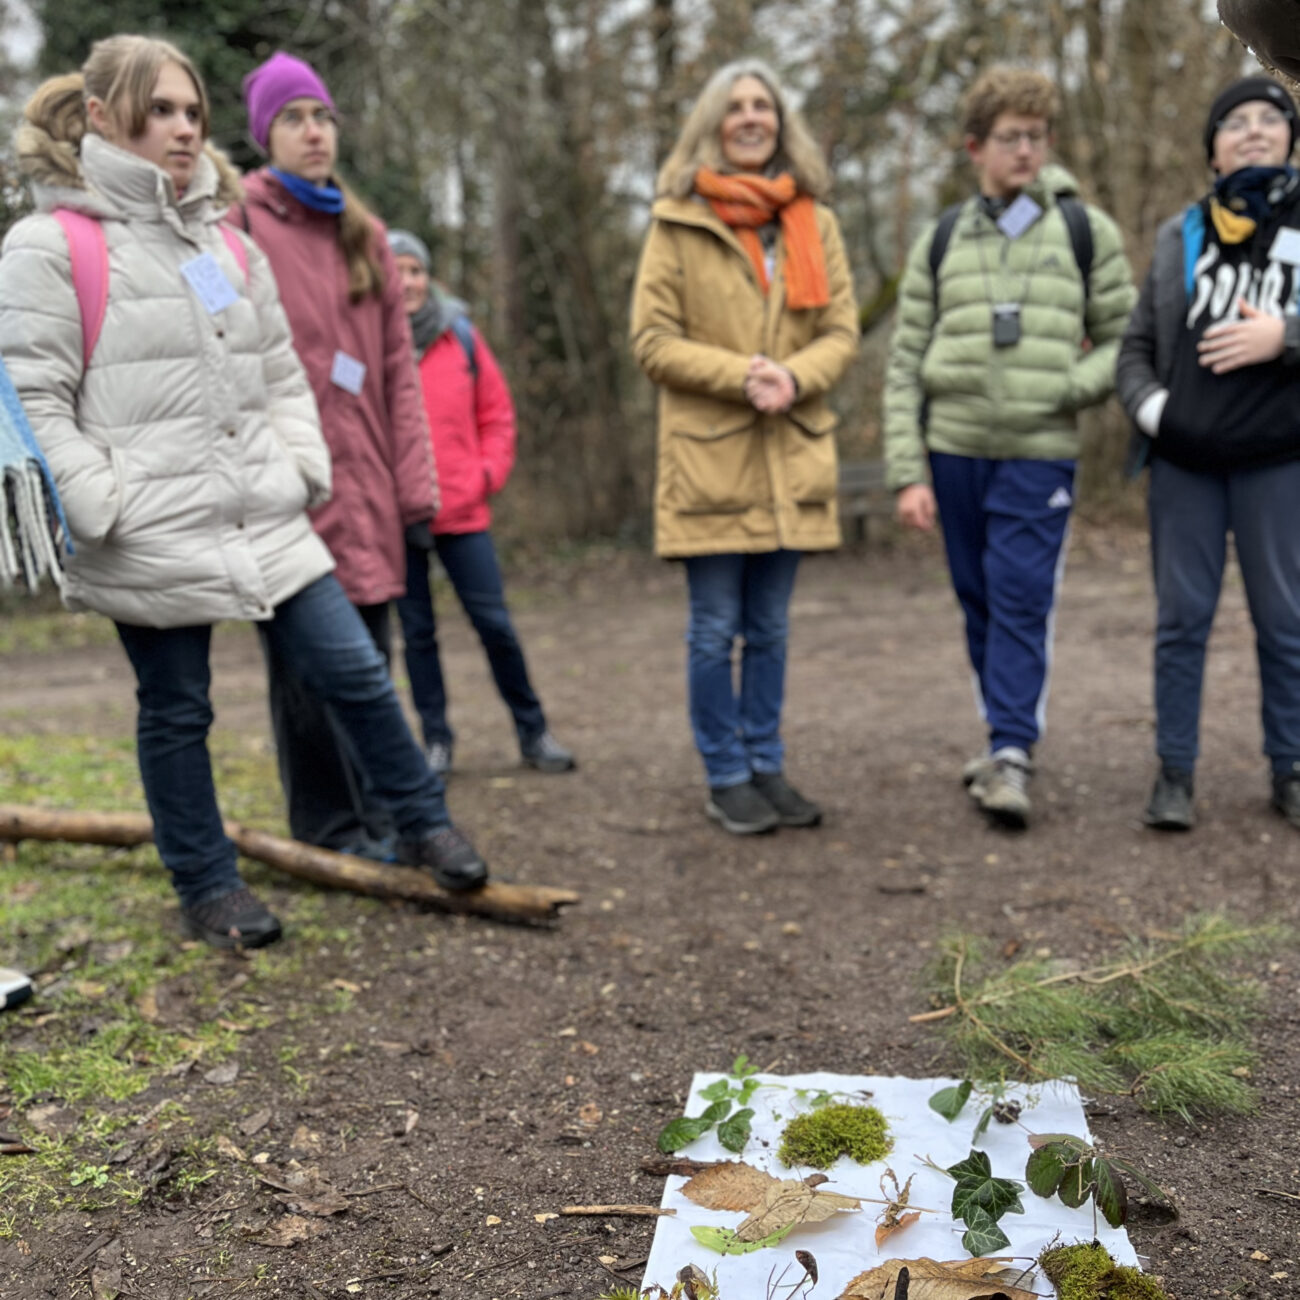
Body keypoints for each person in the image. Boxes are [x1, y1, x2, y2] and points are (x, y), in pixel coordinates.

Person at [0, 35, 486, 950]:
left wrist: (301, 465)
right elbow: (33, 400)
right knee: (178, 709)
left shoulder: (225, 241)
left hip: (262, 505)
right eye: (160, 110)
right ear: (102, 116)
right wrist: (102, 502)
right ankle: (207, 886)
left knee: (351, 668)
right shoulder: (48, 245)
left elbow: (280, 375)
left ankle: (423, 820)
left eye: (193, 112)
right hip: (147, 521)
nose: (184, 129)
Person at [883, 67, 1135, 829]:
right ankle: (1003, 734)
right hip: (953, 451)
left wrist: (1063, 387)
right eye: (1009, 138)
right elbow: (903, 363)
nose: (1025, 150)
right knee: (979, 599)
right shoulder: (940, 243)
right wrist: (907, 472)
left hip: (1039, 454)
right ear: (975, 149)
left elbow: (1126, 342)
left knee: (1023, 595)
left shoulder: (1086, 232)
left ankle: (1012, 750)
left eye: (1036, 136)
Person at [629, 59, 859, 835]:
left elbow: (842, 332)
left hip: (789, 450)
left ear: (780, 122)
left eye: (764, 105)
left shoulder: (813, 222)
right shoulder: (676, 221)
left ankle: (765, 762)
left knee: (771, 629)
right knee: (711, 627)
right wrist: (743, 375)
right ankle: (725, 772)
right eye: (737, 108)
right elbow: (651, 340)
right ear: (713, 126)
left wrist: (794, 377)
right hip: (711, 458)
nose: (752, 117)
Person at [236, 53, 445, 858]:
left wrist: (415, 494)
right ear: (265, 134)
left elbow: (399, 374)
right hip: (285, 492)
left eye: (321, 115)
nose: (313, 131)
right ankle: (327, 825)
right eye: (293, 118)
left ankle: (387, 815)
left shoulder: (363, 233)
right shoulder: (241, 225)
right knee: (303, 676)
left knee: (371, 660)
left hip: (369, 488)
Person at [1117, 76, 1300, 832]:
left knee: (1286, 621)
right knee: (1181, 619)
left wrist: (1282, 336)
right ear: (1212, 150)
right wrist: (1161, 415)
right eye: (1234, 123)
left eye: (1270, 118)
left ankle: (1290, 768)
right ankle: (1174, 773)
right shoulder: (1179, 234)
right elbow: (1133, 351)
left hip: (1279, 461)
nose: (1253, 131)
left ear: (1291, 138)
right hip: (1185, 466)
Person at [386, 229, 576, 777]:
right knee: (417, 635)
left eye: (416, 270)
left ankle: (533, 730)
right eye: (396, 271)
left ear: (429, 277)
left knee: (494, 624)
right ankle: (437, 742)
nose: (408, 282)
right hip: (400, 517)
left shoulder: (461, 338)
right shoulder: (372, 342)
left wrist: (486, 474)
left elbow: (497, 414)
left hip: (463, 512)